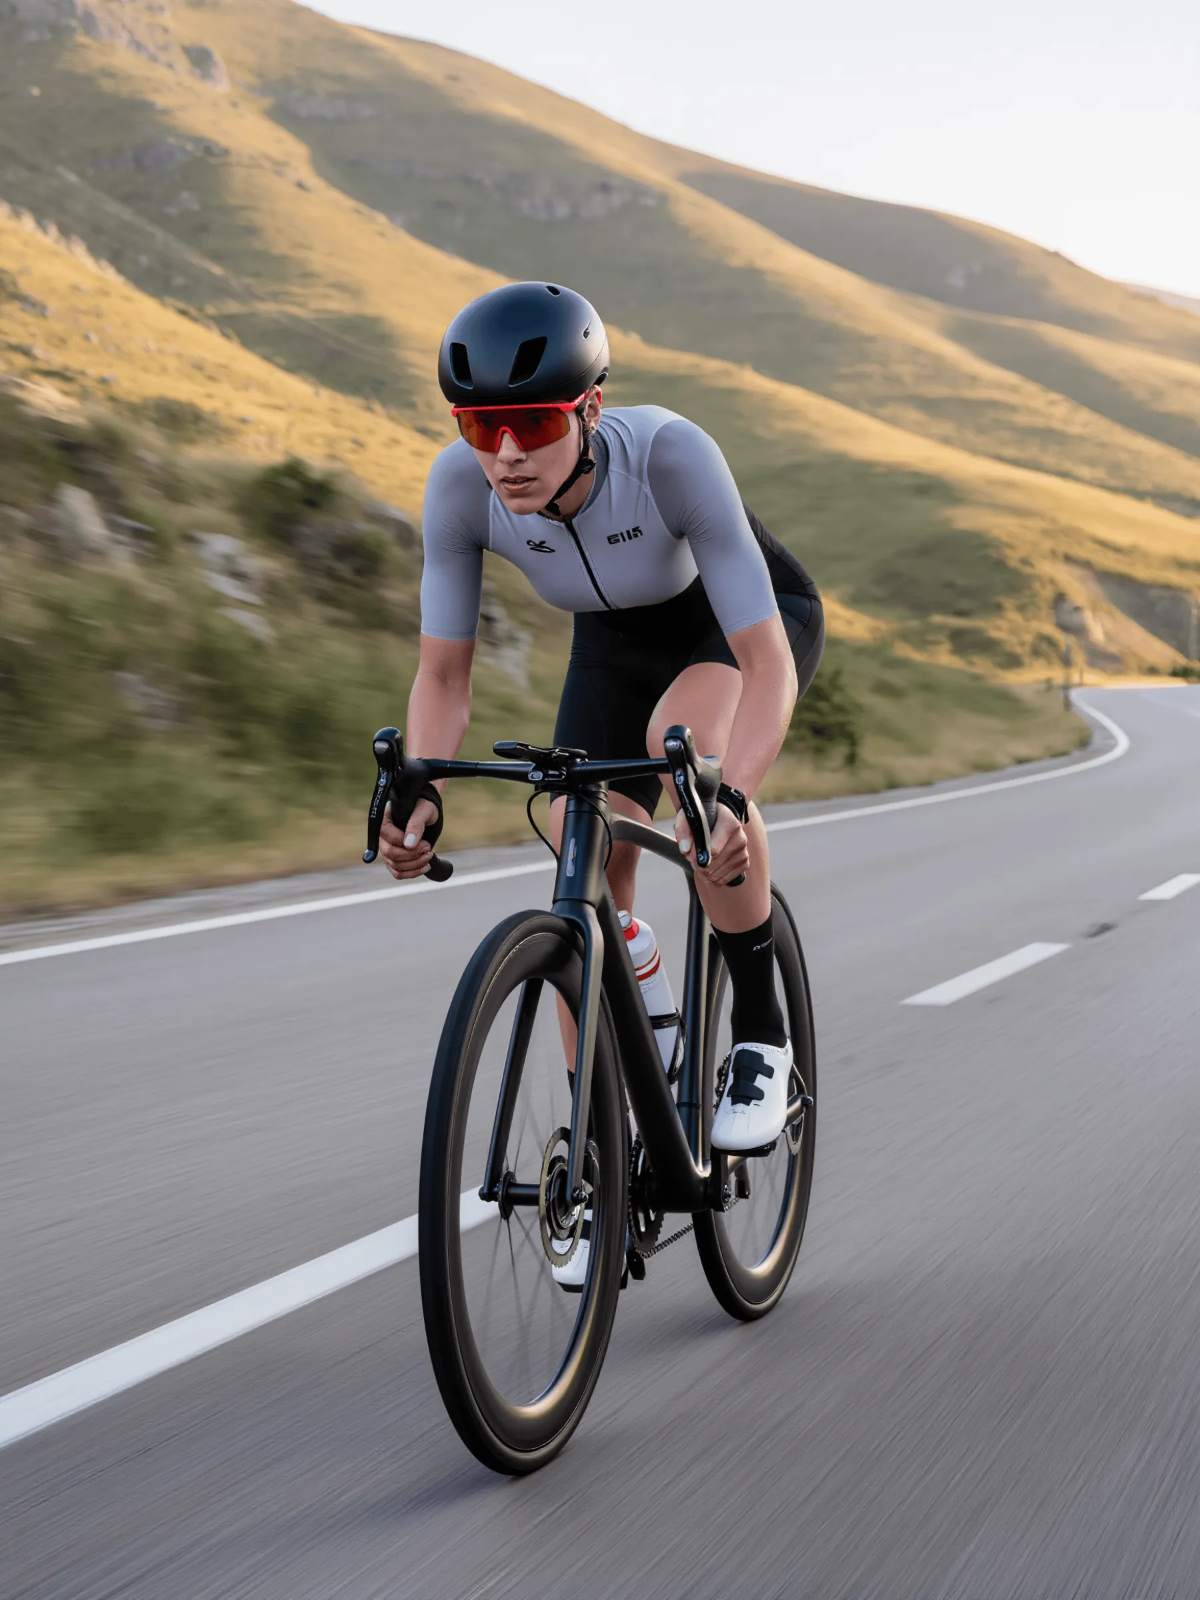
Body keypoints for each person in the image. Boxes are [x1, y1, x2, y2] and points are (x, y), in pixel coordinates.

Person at [378, 281, 824, 1166]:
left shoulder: (671, 458)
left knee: (692, 771)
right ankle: (596, 1146)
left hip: (736, 621)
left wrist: (731, 794)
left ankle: (762, 1041)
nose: (505, 454)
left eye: (535, 424)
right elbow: (441, 671)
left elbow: (767, 662)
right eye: (478, 427)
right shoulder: (459, 490)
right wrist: (420, 785)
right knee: (581, 852)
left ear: (590, 408)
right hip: (610, 644)